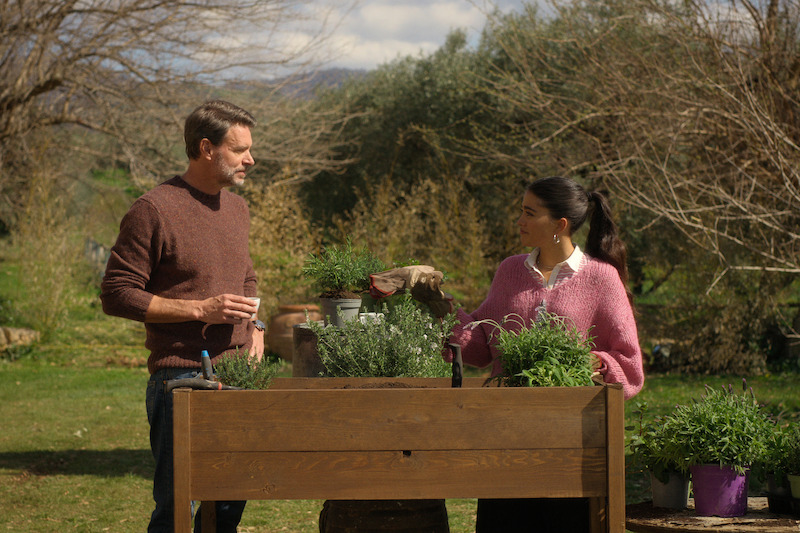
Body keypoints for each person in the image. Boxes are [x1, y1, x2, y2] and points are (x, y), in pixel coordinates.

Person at [100, 100, 264, 533]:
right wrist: (199, 309)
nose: (251, 158)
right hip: (182, 381)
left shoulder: (238, 210)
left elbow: (246, 278)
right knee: (177, 511)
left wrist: (257, 329)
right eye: (240, 148)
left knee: (228, 507)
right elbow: (116, 294)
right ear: (207, 148)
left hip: (238, 378)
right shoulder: (153, 210)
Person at [447, 175, 644, 532]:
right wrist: (443, 310)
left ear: (560, 224)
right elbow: (480, 347)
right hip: (505, 437)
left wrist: (595, 362)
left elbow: (629, 364)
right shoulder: (509, 271)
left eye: (529, 213)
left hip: (570, 441)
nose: (519, 221)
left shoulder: (602, 279)